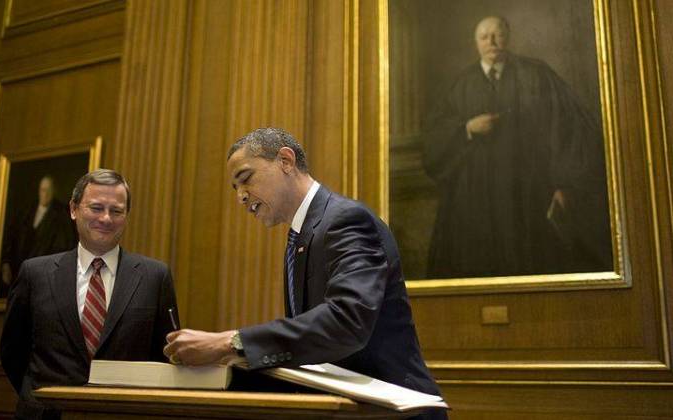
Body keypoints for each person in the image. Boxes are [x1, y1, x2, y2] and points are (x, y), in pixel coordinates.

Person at [164, 128, 445, 419]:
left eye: (245, 179)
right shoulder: (302, 236)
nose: (240, 197)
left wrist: (230, 342)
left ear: (286, 161)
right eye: (234, 188)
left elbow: (347, 321)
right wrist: (237, 356)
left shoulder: (345, 220)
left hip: (394, 412)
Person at [422, 16, 612, 279]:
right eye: (484, 36)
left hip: (529, 192)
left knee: (532, 264)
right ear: (475, 43)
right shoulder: (460, 85)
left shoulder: (536, 75)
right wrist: (466, 128)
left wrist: (563, 183)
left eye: (497, 34)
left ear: (508, 37)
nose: (491, 41)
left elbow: (566, 128)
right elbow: (434, 139)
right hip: (476, 197)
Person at [0, 169, 179, 419]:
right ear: (74, 209)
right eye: (96, 208)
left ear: (126, 216)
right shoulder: (34, 273)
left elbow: (164, 357)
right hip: (46, 413)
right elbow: (12, 351)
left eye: (116, 211)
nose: (106, 218)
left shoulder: (154, 277)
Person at [0, 175, 75, 294]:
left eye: (48, 190)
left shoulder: (62, 215)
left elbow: (65, 246)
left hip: (44, 274)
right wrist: (6, 263)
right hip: (20, 272)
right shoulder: (27, 212)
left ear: (54, 192)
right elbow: (12, 238)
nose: (45, 194)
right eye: (43, 190)